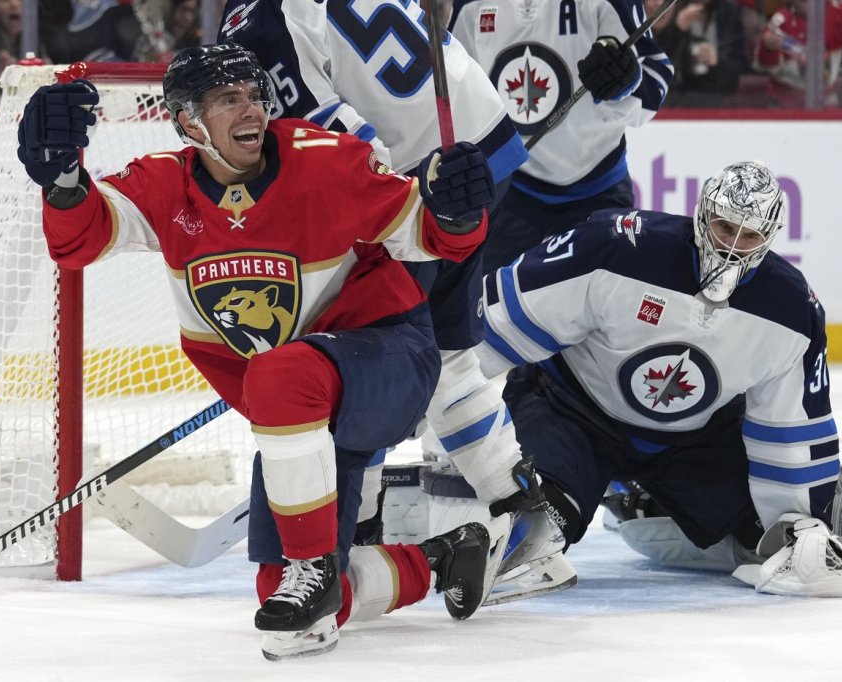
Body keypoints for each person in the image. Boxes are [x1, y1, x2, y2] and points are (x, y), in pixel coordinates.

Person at [16, 43, 504, 661]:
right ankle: (441, 560)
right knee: (286, 603)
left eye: (254, 94)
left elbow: (435, 236)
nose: (251, 109)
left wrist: (457, 211)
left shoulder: (325, 161)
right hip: (297, 412)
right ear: (189, 122)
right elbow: (81, 239)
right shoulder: (164, 185)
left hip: (388, 363)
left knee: (279, 375)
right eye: (228, 99)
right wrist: (64, 181)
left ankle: (312, 567)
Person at [218, 0, 576, 604]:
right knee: (447, 357)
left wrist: (388, 206)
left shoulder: (258, 18)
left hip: (417, 187)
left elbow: (328, 138)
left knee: (364, 355)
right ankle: (528, 519)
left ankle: (359, 531)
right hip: (480, 153)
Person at [473, 160, 842, 598]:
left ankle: (642, 501)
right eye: (725, 227)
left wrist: (801, 521)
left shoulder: (792, 311)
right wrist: (447, 405)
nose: (733, 248)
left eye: (750, 236)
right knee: (530, 535)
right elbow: (499, 321)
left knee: (768, 542)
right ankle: (598, 488)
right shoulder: (616, 246)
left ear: (769, 238)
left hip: (690, 441)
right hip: (570, 413)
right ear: (703, 214)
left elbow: (788, 426)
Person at [448, 0, 673, 273]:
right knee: (484, 294)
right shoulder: (471, 5)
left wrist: (627, 81)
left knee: (608, 294)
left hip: (598, 186)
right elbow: (452, 90)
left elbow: (655, 76)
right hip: (510, 188)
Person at [648, 0, 747, 107]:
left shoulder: (727, 12)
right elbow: (653, 72)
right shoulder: (674, 16)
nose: (658, 3)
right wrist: (677, 29)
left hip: (692, 105)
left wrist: (717, 62)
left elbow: (733, 77)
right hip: (659, 103)